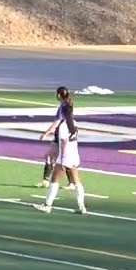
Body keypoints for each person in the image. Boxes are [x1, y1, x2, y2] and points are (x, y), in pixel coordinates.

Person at [34, 86, 87, 214]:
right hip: (75, 156)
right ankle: (82, 206)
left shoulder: (63, 126)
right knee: (76, 181)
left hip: (66, 156)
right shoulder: (74, 124)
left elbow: (63, 142)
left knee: (54, 180)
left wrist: (62, 159)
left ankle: (47, 205)